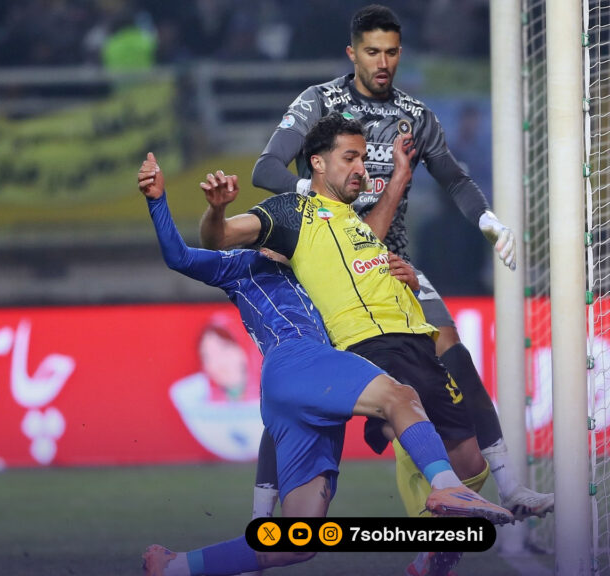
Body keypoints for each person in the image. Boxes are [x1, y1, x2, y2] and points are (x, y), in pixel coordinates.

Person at [249, 3, 551, 529]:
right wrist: (319, 200)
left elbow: (454, 178)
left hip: (391, 264)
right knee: (292, 384)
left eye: (390, 52)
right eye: (372, 52)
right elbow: (265, 168)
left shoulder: (415, 115)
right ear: (353, 53)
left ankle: (510, 486)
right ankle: (260, 514)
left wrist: (488, 221)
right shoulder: (319, 102)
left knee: (454, 352)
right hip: (323, 265)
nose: (382, 62)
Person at [136, 152, 512, 576]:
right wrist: (158, 201)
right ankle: (447, 487)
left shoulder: (319, 268)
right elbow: (181, 256)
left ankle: (177, 567)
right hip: (295, 358)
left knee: (299, 539)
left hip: (298, 389)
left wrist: (403, 272)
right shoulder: (243, 264)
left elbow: (364, 253)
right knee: (400, 395)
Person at [169, 324, 263, 462]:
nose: (217, 363)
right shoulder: (198, 396)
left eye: (224, 349)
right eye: (207, 356)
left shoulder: (273, 388)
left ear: (245, 347)